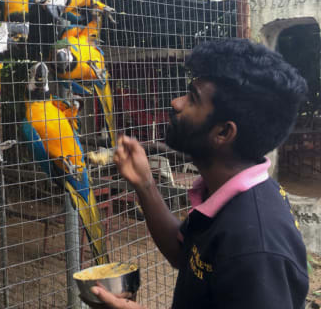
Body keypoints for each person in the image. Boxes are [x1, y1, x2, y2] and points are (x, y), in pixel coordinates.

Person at [90, 38, 310, 308]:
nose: (176, 102)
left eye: (193, 98)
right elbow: (185, 254)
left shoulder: (256, 248)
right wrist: (145, 184)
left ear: (223, 133)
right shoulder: (223, 193)